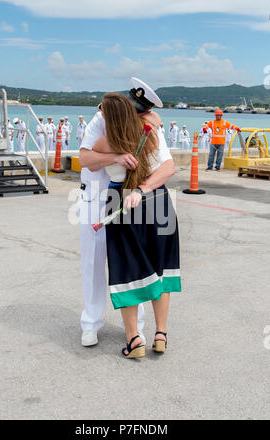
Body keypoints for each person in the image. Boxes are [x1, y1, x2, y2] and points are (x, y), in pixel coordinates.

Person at [78, 77, 176, 351]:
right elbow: (85, 159)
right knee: (95, 264)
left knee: (131, 263)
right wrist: (117, 158)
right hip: (97, 197)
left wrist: (148, 126)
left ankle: (135, 331)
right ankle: (91, 324)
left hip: (125, 197)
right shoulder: (101, 120)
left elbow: (164, 163)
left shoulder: (148, 126)